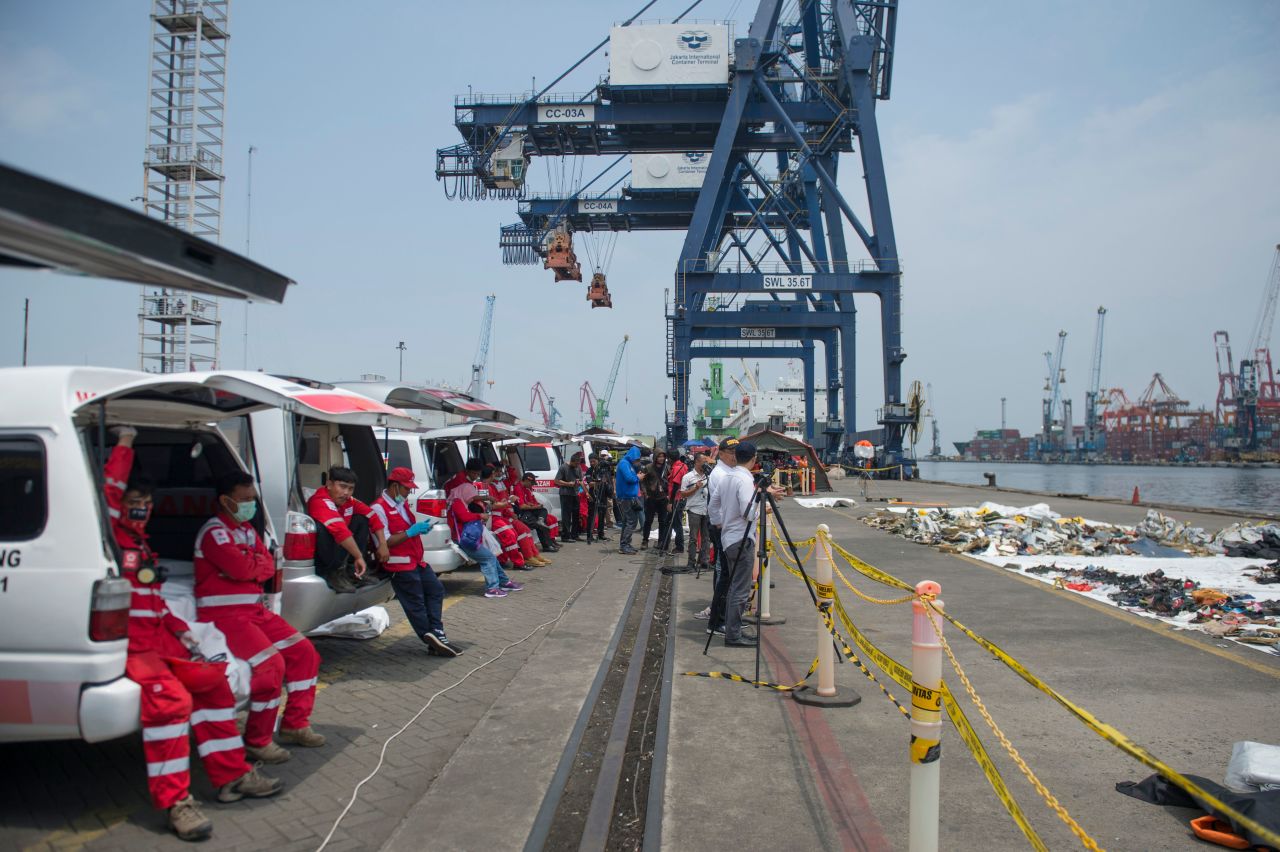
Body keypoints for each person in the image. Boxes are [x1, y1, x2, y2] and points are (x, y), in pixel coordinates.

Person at [105, 428, 281, 841]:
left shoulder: (140, 545)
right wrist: (127, 442)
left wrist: (184, 633)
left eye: (147, 503)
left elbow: (155, 600)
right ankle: (175, 802)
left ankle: (231, 775)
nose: (142, 510)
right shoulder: (115, 538)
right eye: (134, 503)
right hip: (133, 645)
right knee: (170, 704)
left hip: (160, 637)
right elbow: (112, 489)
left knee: (215, 685)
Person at [195, 473, 325, 766]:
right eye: (244, 500)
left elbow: (268, 564)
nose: (250, 504)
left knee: (304, 654)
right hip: (225, 617)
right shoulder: (214, 533)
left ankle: (295, 723)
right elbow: (243, 568)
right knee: (271, 666)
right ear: (225, 501)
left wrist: (253, 564)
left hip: (254, 612)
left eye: (252, 499)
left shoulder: (244, 531)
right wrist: (254, 564)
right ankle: (258, 740)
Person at [369, 467, 460, 657]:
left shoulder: (400, 505)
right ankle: (429, 636)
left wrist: (419, 529)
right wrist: (411, 532)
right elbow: (384, 542)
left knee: (435, 590)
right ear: (394, 486)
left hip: (415, 560)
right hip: (398, 563)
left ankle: (436, 633)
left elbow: (405, 529)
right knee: (415, 601)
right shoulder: (378, 508)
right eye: (406, 489)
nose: (409, 493)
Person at [306, 466, 386, 593]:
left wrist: (382, 543)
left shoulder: (349, 501)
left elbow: (372, 516)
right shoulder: (320, 501)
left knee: (361, 519)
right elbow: (341, 531)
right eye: (342, 487)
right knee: (325, 528)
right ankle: (331, 573)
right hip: (322, 554)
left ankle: (352, 571)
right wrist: (359, 557)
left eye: (350, 488)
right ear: (329, 484)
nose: (346, 493)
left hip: (337, 546)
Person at [447, 464, 523, 598]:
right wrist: (479, 516)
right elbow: (464, 517)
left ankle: (504, 582)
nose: (472, 499)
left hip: (468, 538)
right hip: (465, 539)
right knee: (488, 558)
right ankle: (492, 588)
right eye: (471, 496)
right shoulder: (457, 502)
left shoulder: (460, 500)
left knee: (490, 557)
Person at [717, 441, 762, 647]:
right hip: (741, 539)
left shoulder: (727, 477)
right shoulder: (744, 480)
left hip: (729, 537)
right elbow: (749, 513)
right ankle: (733, 635)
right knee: (740, 589)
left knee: (735, 587)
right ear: (753, 459)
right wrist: (762, 504)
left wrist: (719, 522)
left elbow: (713, 505)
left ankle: (733, 629)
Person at [697, 437, 740, 624]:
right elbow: (719, 505)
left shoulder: (729, 471)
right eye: (731, 453)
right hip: (724, 528)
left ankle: (725, 615)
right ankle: (719, 618)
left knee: (727, 573)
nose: (735, 456)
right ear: (721, 454)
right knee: (724, 573)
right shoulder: (721, 474)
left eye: (737, 453)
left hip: (726, 527)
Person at [492, 463, 550, 567]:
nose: (499, 473)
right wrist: (509, 506)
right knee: (516, 533)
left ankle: (533, 555)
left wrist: (509, 466)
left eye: (500, 471)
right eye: (497, 471)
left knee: (526, 530)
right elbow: (495, 504)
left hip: (506, 514)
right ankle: (524, 558)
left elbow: (512, 478)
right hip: (498, 516)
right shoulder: (491, 486)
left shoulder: (500, 484)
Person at [679, 451, 712, 574]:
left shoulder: (709, 476)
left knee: (706, 538)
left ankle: (704, 561)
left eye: (706, 462)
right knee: (693, 537)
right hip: (694, 509)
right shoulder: (688, 477)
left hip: (706, 509)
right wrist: (695, 488)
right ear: (697, 462)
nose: (705, 464)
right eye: (703, 462)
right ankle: (691, 562)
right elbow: (682, 494)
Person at [512, 471, 560, 553]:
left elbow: (528, 502)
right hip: (522, 514)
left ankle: (548, 542)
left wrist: (534, 505)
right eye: (531, 483)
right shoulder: (518, 488)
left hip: (528, 512)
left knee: (543, 513)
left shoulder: (526, 489)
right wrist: (534, 506)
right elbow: (522, 506)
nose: (532, 485)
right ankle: (547, 545)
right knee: (541, 525)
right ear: (527, 480)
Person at [614, 445, 644, 555]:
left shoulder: (628, 464)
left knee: (629, 521)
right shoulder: (624, 464)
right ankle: (624, 545)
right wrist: (638, 478)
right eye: (636, 459)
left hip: (630, 496)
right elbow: (629, 478)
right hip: (625, 497)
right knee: (631, 521)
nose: (637, 461)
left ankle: (625, 543)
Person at [639, 450, 670, 551]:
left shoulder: (667, 467)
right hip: (651, 497)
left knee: (662, 521)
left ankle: (661, 541)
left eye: (663, 456)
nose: (661, 458)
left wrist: (668, 495)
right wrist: (645, 493)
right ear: (655, 457)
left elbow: (670, 481)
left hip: (663, 498)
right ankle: (645, 540)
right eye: (659, 456)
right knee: (648, 520)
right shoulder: (648, 467)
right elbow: (642, 481)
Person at [553, 452, 585, 542]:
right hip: (565, 494)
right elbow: (556, 481)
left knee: (576, 514)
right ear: (571, 461)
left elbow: (581, 481)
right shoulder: (564, 467)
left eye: (579, 464)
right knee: (566, 515)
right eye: (576, 464)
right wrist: (567, 483)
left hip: (575, 493)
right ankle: (566, 536)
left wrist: (586, 492)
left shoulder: (578, 467)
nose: (577, 466)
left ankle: (574, 534)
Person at [661, 452, 688, 553]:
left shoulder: (676, 468)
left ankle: (679, 546)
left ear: (670, 459)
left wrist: (671, 502)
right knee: (669, 522)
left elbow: (676, 486)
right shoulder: (683, 465)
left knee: (676, 523)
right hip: (680, 498)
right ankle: (664, 543)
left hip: (676, 499)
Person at [584, 453, 612, 544]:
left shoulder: (603, 470)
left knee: (602, 514)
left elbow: (610, 479)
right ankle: (589, 535)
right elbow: (590, 483)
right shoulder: (589, 471)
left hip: (603, 493)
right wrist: (599, 482)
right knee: (591, 515)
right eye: (590, 461)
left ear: (598, 460)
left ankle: (601, 534)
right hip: (594, 494)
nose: (592, 463)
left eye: (594, 461)